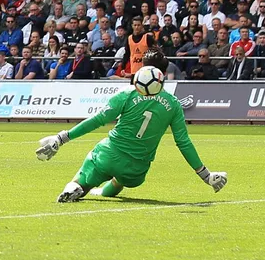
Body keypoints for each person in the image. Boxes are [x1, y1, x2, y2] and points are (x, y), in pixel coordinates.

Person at [35, 50, 227, 203]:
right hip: (137, 170)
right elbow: (183, 143)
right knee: (120, 179)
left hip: (109, 155)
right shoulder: (174, 104)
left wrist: (62, 138)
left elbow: (97, 120)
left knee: (93, 167)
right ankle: (102, 192)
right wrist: (206, 175)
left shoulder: (127, 94)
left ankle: (76, 186)